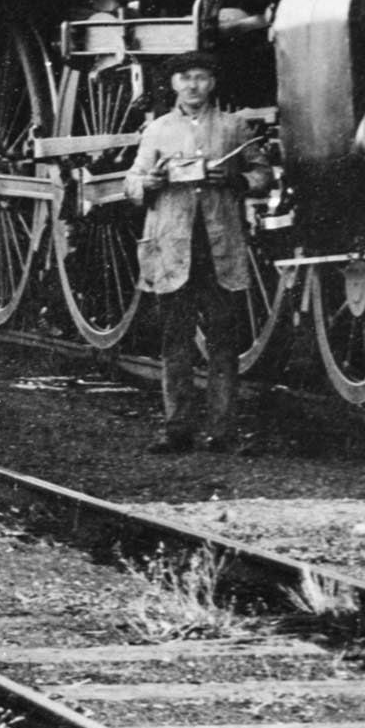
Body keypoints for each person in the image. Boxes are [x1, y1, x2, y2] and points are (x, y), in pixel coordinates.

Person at [129, 50, 269, 453]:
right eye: (186, 78)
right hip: (173, 249)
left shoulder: (234, 127)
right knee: (175, 344)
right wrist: (150, 183)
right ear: (174, 84)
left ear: (212, 83)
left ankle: (223, 431)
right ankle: (177, 430)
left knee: (224, 344)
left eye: (202, 78)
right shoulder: (156, 131)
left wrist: (238, 179)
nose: (194, 86)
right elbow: (131, 182)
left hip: (219, 248)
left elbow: (263, 174)